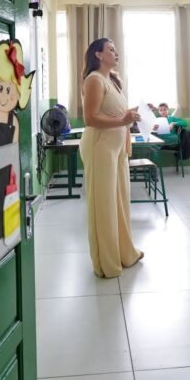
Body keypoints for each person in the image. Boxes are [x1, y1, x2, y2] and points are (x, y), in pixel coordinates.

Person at [79, 38, 143, 278]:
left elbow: (116, 114)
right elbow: (90, 119)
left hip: (115, 150)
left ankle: (124, 253)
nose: (117, 53)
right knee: (104, 205)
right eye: (111, 50)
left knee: (120, 202)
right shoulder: (94, 80)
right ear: (98, 55)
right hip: (100, 148)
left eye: (116, 49)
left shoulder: (111, 81)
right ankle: (106, 263)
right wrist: (123, 121)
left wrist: (131, 115)